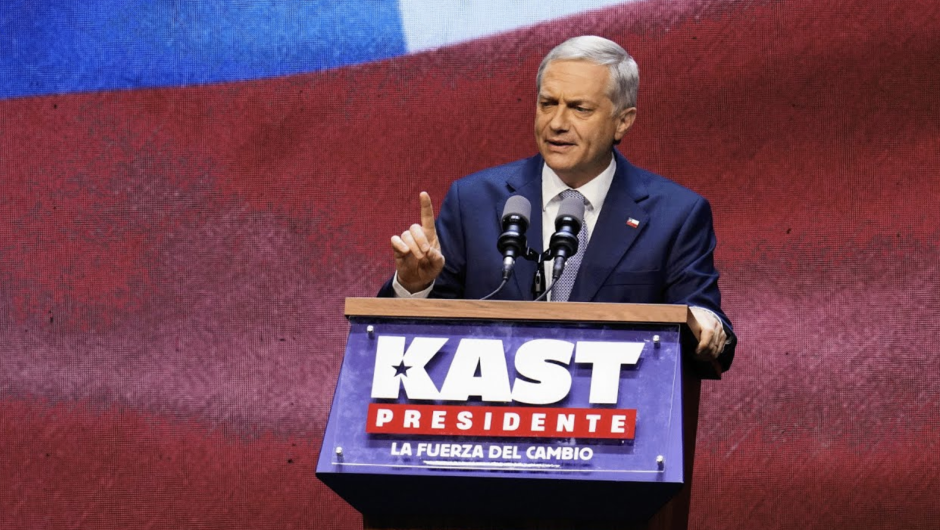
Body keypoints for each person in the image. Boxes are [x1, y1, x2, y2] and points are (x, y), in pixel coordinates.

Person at [380, 35, 735, 371]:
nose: (557, 123)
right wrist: (414, 286)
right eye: (548, 104)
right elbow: (411, 337)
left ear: (622, 122)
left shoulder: (676, 215)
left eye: (580, 108)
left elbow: (704, 318)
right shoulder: (473, 201)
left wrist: (706, 325)